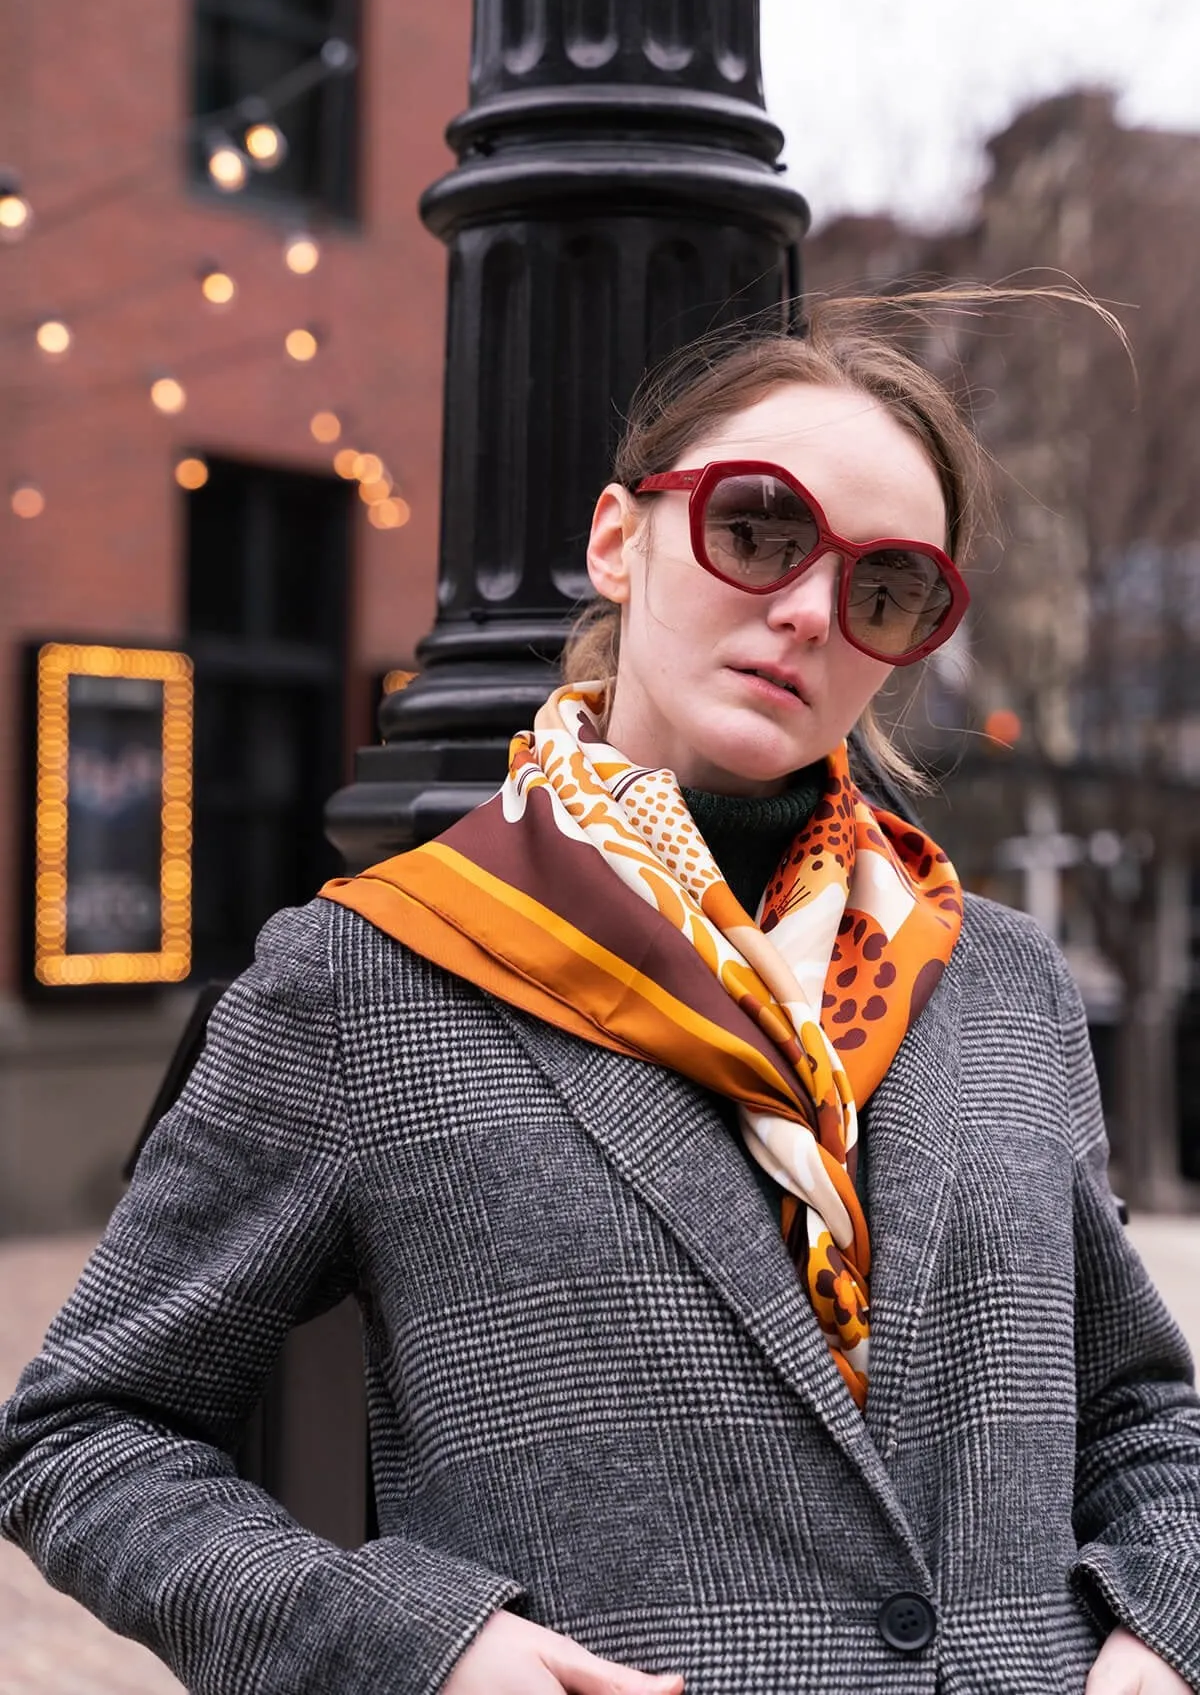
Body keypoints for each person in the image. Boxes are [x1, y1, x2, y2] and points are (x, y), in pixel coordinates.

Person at [3, 304, 1200, 1695]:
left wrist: (1160, 1634)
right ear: (619, 540)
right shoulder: (373, 974)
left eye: (887, 586)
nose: (810, 606)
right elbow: (87, 1431)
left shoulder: (1000, 982)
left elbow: (1137, 1410)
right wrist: (424, 1649)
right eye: (759, 528)